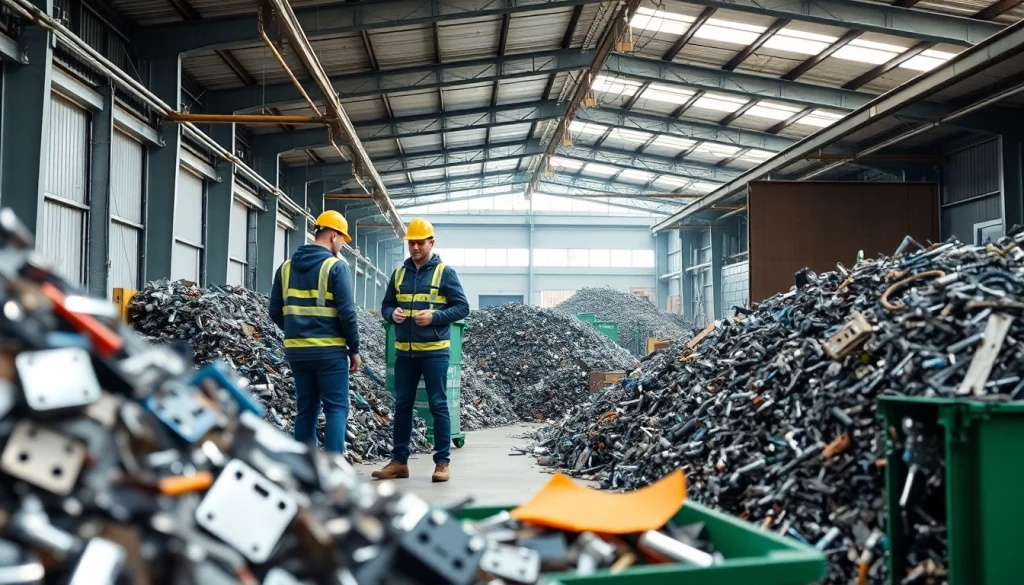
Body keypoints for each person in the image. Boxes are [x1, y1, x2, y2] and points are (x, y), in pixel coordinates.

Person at [373, 218, 469, 483]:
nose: (414, 247)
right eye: (411, 242)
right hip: (405, 352)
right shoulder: (399, 274)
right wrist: (393, 314)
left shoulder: (444, 273)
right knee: (402, 405)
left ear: (431, 243)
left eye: (419, 242)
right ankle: (399, 462)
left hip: (435, 352)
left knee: (438, 405)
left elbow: (462, 308)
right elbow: (386, 306)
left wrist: (435, 317)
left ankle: (442, 463)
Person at [269, 210, 361, 455]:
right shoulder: (335, 267)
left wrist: (297, 330)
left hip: (298, 352)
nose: (342, 245)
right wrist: (354, 349)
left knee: (306, 409)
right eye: (342, 239)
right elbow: (347, 313)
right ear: (333, 236)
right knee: (336, 409)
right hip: (329, 352)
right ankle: (333, 473)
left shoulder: (285, 268)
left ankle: (305, 474)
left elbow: (275, 311)